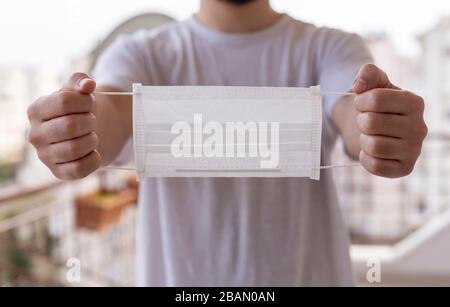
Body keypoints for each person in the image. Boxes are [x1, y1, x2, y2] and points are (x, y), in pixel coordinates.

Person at [26, 0, 427, 286]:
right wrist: (75, 129)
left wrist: (379, 127)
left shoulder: (331, 47)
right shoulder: (140, 53)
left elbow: (354, 113)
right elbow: (107, 117)